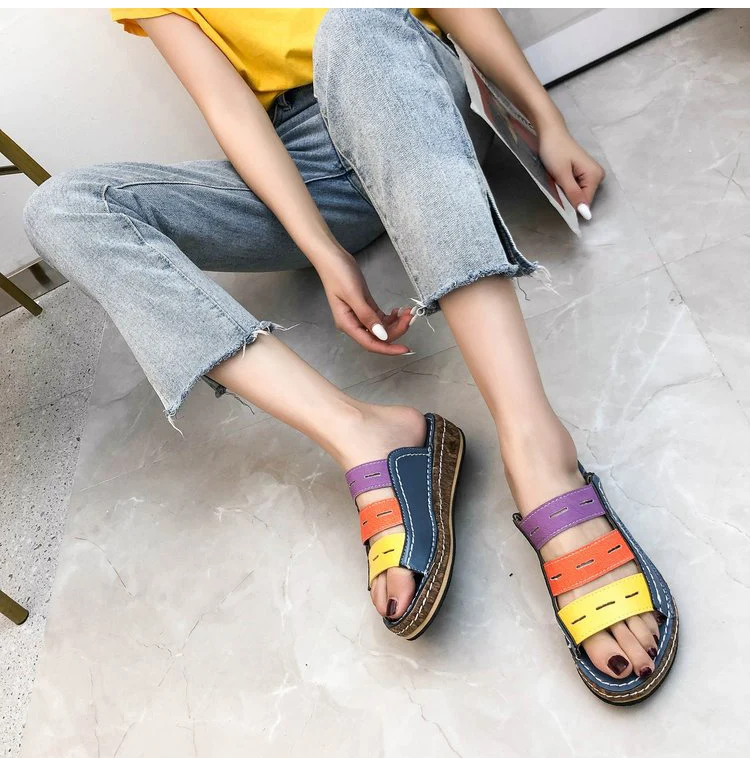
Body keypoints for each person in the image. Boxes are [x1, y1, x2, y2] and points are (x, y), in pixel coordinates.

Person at [22, 9, 677, 702]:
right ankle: (363, 433)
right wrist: (321, 249)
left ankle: (538, 454)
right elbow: (228, 106)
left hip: (404, 95)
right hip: (303, 166)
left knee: (353, 27)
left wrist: (547, 119)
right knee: (61, 209)